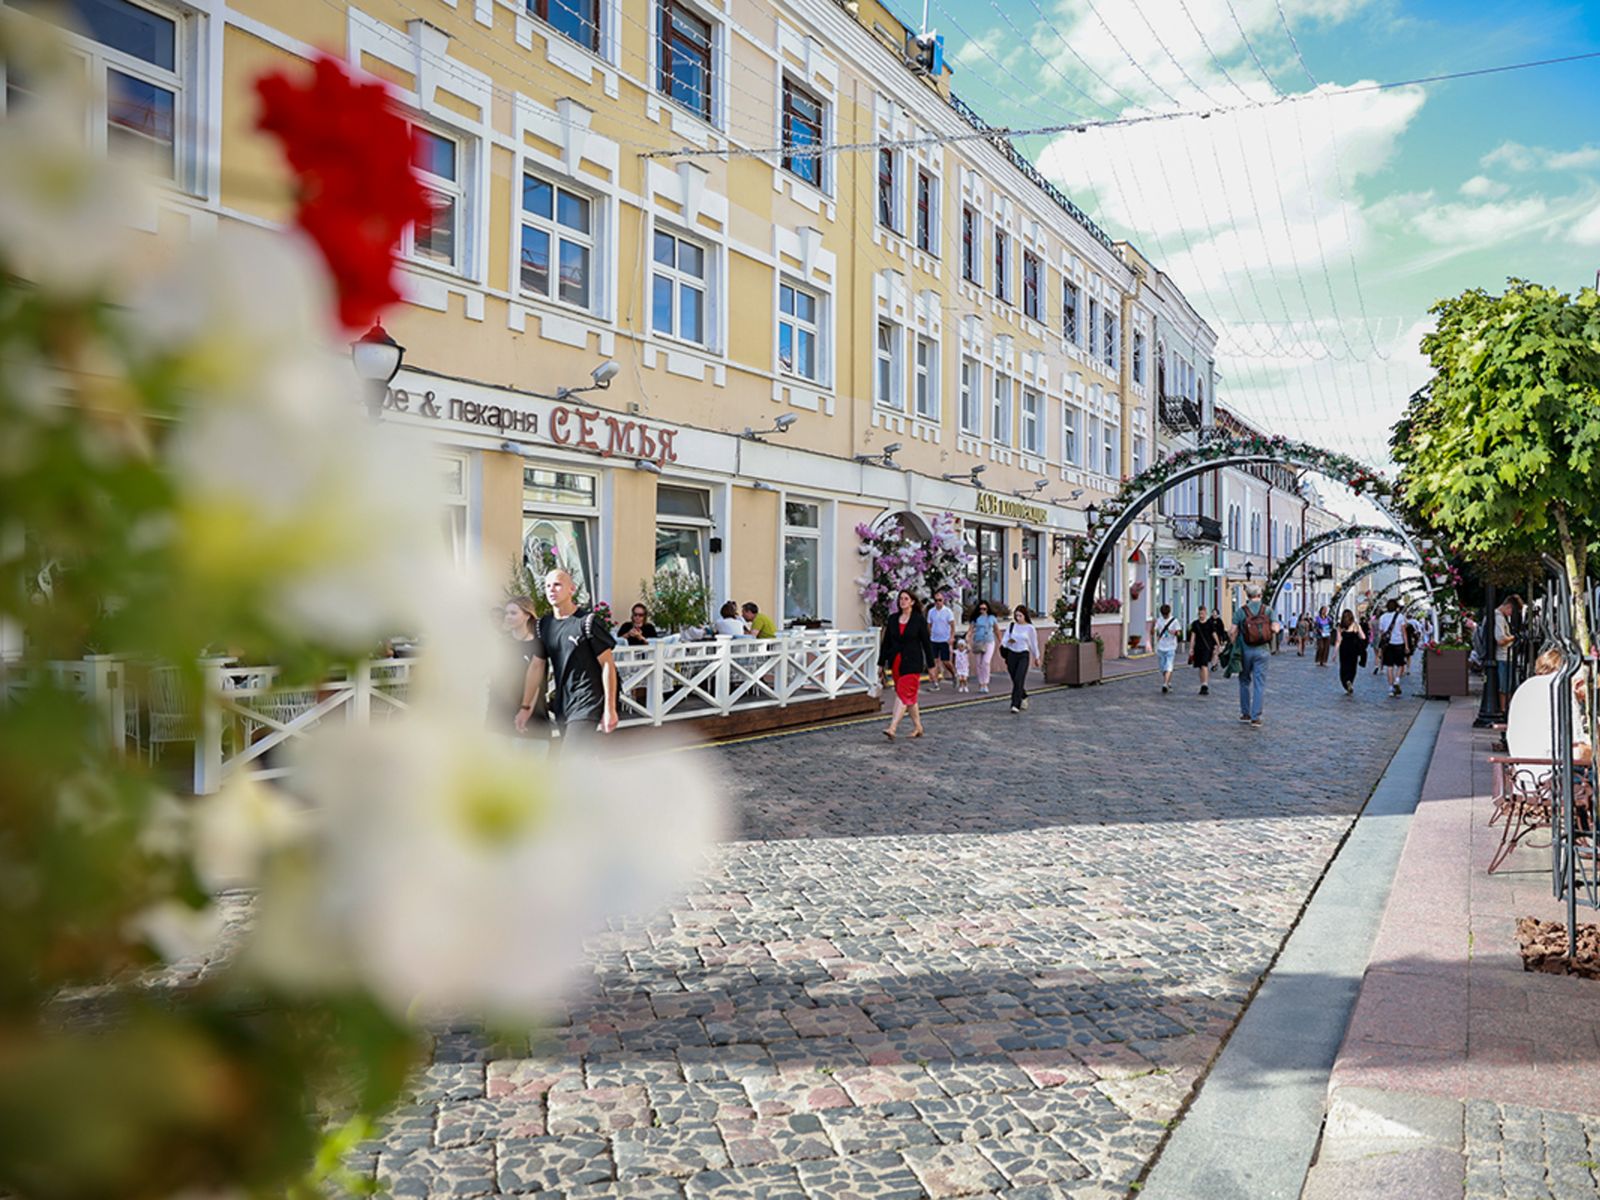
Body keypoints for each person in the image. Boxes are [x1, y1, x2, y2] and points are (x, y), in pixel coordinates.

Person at [516, 569, 619, 740]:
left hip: (588, 700)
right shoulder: (543, 625)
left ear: (572, 589)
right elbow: (536, 666)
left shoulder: (587, 622)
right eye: (547, 586)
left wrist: (610, 708)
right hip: (563, 703)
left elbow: (608, 664)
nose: (551, 589)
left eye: (557, 585)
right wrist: (525, 708)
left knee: (570, 753)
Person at [879, 589, 931, 740]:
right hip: (896, 662)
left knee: (902, 694)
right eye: (901, 599)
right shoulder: (893, 619)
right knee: (909, 696)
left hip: (912, 662)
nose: (903, 601)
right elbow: (886, 643)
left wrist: (931, 665)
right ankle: (918, 727)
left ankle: (892, 727)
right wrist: (881, 664)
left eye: (906, 599)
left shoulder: (918, 620)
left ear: (912, 602)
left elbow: (926, 643)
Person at [499, 596, 549, 735]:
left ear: (527, 615)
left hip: (532, 716)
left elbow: (537, 684)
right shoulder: (501, 643)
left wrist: (525, 711)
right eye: (506, 613)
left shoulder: (538, 645)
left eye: (513, 613)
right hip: (502, 714)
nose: (508, 617)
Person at [1232, 582, 1278, 727]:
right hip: (1263, 651)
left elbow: (1232, 631)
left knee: (1244, 681)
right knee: (1259, 683)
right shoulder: (1268, 610)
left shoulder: (1241, 611)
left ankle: (1245, 713)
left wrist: (1233, 644)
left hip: (1245, 650)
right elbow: (1276, 628)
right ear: (1260, 595)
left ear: (1247, 595)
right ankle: (1255, 716)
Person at [999, 604, 1042, 714]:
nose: (1018, 618)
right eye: (1016, 616)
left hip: (1023, 654)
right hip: (1011, 654)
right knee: (1015, 680)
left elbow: (1033, 644)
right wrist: (1009, 642)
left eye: (1020, 616)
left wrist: (1037, 657)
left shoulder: (1030, 628)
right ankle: (1023, 695)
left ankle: (1015, 704)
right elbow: (1004, 640)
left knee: (1019, 678)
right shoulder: (1012, 626)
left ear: (1025, 616)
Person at [1187, 604, 1226, 695]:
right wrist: (1191, 648)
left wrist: (1218, 644)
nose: (1201, 615)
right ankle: (1202, 683)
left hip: (1207, 647)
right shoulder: (1195, 624)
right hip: (1198, 648)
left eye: (1202, 613)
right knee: (1200, 666)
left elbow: (1214, 634)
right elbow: (1193, 637)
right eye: (1200, 614)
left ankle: (1205, 684)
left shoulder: (1210, 623)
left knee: (1204, 665)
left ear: (1206, 613)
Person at [1374, 598, 1408, 698]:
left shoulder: (1383, 617)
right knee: (1400, 664)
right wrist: (1406, 645)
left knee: (1389, 666)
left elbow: (1381, 632)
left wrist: (1381, 646)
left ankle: (1390, 688)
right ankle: (1397, 680)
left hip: (1388, 644)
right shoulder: (1400, 617)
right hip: (1399, 643)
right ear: (1396, 607)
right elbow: (1404, 632)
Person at [925, 591, 956, 690]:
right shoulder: (931, 612)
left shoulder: (948, 611)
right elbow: (929, 625)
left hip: (944, 640)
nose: (938, 602)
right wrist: (930, 635)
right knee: (933, 662)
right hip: (934, 640)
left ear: (943, 601)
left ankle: (954, 674)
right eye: (936, 600)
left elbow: (952, 625)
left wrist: (951, 637)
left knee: (946, 661)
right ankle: (935, 683)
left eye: (940, 600)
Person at [968, 599, 999, 694]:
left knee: (986, 662)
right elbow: (970, 630)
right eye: (981, 609)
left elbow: (996, 630)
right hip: (978, 641)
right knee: (979, 663)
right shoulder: (976, 618)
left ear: (988, 609)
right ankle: (981, 683)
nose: (982, 611)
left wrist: (1001, 641)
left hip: (989, 641)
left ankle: (985, 683)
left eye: (984, 609)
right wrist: (967, 638)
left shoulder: (992, 618)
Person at [1336, 608, 1366, 695]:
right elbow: (1363, 637)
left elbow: (1338, 640)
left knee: (1344, 667)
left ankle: (1346, 681)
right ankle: (1350, 681)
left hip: (1344, 648)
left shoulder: (1340, 627)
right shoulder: (1356, 625)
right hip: (1354, 648)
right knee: (1352, 667)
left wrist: (1335, 653)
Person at [1153, 603, 1182, 694]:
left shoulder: (1174, 621)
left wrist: (1174, 632)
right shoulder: (1159, 620)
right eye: (1163, 615)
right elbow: (1154, 630)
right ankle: (1168, 682)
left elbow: (1179, 633)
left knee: (1168, 666)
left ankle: (1165, 684)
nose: (1165, 616)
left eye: (1166, 614)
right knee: (1162, 667)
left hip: (1171, 646)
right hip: (1161, 646)